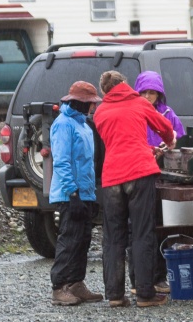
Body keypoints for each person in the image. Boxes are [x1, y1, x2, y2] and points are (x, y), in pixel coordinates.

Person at [93, 69, 177, 308]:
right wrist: (169, 141)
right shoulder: (139, 103)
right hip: (140, 172)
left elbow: (116, 139)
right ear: (126, 84)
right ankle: (145, 294)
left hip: (111, 176)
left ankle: (115, 295)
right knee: (141, 233)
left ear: (104, 91)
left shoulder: (100, 111)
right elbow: (165, 128)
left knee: (113, 237)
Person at [47, 80, 105, 305]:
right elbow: (61, 162)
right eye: (91, 103)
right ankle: (58, 287)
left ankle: (76, 283)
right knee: (69, 239)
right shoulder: (63, 124)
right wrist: (73, 194)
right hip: (70, 193)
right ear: (80, 103)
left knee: (83, 239)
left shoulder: (84, 124)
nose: (93, 106)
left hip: (84, 193)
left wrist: (89, 194)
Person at [131, 70, 187, 296]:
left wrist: (168, 148)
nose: (148, 96)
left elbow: (179, 137)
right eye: (144, 92)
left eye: (152, 93)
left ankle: (158, 276)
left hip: (162, 174)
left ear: (159, 94)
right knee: (139, 229)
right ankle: (140, 279)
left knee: (161, 227)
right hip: (138, 173)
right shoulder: (133, 112)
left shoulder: (166, 113)